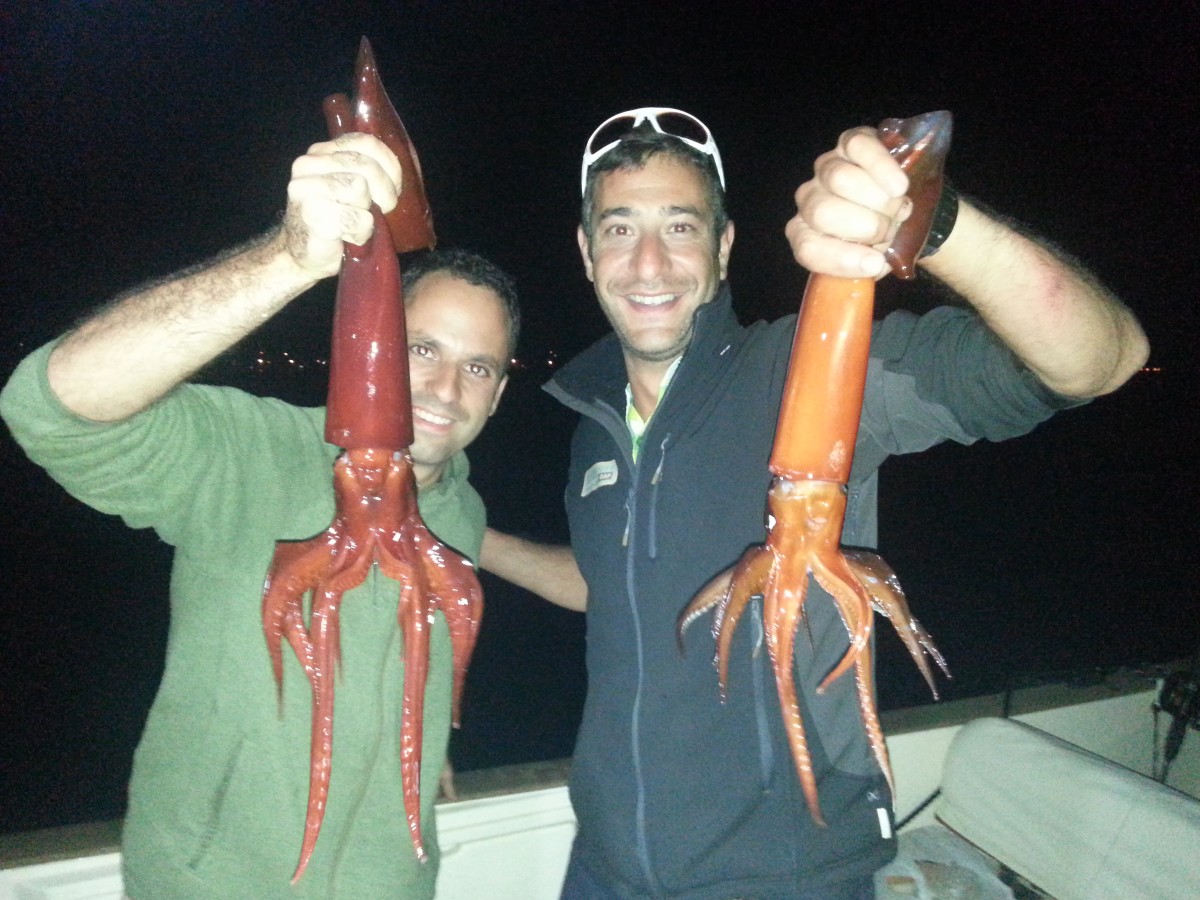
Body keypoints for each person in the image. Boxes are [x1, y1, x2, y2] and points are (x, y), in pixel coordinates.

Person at [479, 108, 1148, 898]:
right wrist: (470, 535)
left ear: (724, 247)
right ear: (588, 253)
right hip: (603, 867)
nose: (649, 261)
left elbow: (1098, 361)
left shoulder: (805, 364)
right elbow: (607, 583)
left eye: (682, 226)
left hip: (784, 876)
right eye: (620, 229)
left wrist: (932, 225)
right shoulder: (593, 424)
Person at [0, 133, 519, 899]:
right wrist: (291, 258)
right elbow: (52, 411)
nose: (447, 387)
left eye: (478, 367)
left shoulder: (461, 513)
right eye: (421, 350)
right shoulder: (253, 451)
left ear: (500, 391)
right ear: (370, 346)